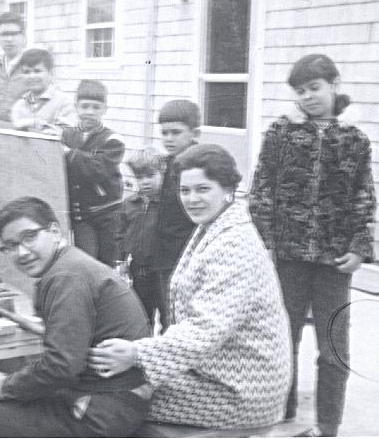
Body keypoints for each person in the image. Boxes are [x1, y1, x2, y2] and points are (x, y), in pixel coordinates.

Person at [88, 144, 292, 429]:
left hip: (239, 390)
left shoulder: (233, 244)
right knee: (106, 381)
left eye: (203, 189)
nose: (192, 199)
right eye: (185, 190)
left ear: (228, 188)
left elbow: (207, 329)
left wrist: (137, 354)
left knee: (111, 396)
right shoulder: (216, 224)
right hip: (215, 372)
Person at [0, 197, 151, 438]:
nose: (21, 252)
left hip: (102, 411)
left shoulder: (66, 275)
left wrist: (4, 386)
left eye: (29, 237)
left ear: (54, 231)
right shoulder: (69, 264)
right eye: (10, 245)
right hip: (107, 398)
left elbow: (61, 367)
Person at [248, 54, 376, 437]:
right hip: (286, 256)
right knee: (281, 339)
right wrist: (266, 244)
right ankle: (281, 414)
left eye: (314, 88)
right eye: (300, 91)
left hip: (333, 261)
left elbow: (363, 196)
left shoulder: (355, 138)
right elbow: (261, 191)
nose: (307, 97)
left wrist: (359, 246)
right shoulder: (281, 133)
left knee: (333, 347)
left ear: (335, 84)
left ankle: (328, 425)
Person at [62, 80, 125, 267]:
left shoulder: (112, 140)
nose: (89, 112)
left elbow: (98, 169)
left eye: (96, 107)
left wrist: (68, 153)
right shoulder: (66, 136)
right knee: (87, 261)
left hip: (107, 212)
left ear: (105, 109)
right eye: (85, 106)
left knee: (108, 261)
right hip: (81, 215)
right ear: (76, 107)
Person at [154, 99, 200, 330]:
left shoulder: (195, 165)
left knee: (180, 318)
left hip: (186, 252)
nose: (169, 139)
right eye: (164, 133)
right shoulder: (171, 162)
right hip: (166, 252)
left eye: (176, 132)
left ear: (194, 133)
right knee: (168, 315)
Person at [116, 147, 165, 332]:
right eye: (139, 177)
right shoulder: (129, 204)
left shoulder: (167, 206)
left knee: (167, 316)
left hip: (161, 270)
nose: (145, 182)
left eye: (150, 175)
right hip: (139, 269)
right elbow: (120, 234)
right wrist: (121, 261)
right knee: (142, 316)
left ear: (162, 173)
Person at [10, 48, 76, 135]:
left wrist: (36, 124)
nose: (32, 76)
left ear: (51, 73)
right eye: (27, 72)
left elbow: (69, 135)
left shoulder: (64, 102)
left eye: (37, 71)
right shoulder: (19, 106)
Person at [0, 12, 29, 121]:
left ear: (23, 36)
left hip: (22, 131)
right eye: (4, 34)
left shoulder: (33, 69)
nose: (9, 39)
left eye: (14, 34)